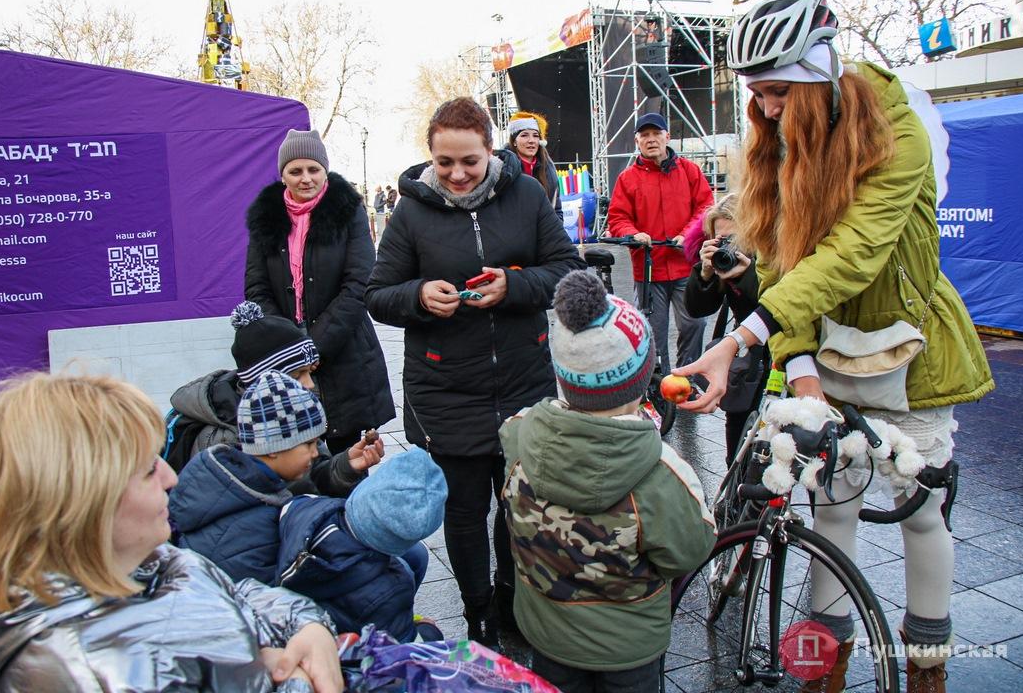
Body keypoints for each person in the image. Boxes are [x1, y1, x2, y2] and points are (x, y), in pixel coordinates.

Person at [677, 0, 994, 693]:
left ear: (820, 68)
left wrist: (742, 341)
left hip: (912, 356)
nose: (766, 109)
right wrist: (802, 368)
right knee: (831, 513)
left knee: (921, 514)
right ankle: (826, 672)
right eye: (757, 94)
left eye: (780, 92)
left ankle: (928, 672)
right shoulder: (778, 143)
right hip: (826, 350)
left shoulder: (898, 127)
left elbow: (854, 253)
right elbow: (790, 269)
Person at [0, 371, 343, 693]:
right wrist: (291, 677)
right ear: (86, 503)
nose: (170, 479)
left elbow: (236, 593)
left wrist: (305, 628)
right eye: (145, 470)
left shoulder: (138, 560)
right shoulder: (89, 671)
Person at [365, 97, 584, 647]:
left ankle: (513, 600)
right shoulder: (411, 211)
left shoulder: (528, 194)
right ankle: (477, 611)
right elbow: (378, 295)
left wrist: (515, 286)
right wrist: (417, 295)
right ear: (430, 158)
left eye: (470, 161)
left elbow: (565, 271)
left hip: (523, 384)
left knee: (518, 506)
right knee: (463, 512)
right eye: (445, 163)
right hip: (446, 389)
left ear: (492, 151)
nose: (458, 174)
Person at [500, 270, 715, 692]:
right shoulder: (662, 475)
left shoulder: (518, 434)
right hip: (627, 650)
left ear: (562, 373)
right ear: (641, 377)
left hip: (546, 636)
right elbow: (691, 550)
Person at [170, 371, 437, 642]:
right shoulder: (251, 527)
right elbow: (279, 609)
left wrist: (343, 466)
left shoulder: (242, 476)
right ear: (273, 447)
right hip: (263, 637)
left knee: (407, 558)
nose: (314, 453)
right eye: (308, 444)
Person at [245, 129, 395, 455]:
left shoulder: (348, 210)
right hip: (288, 362)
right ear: (282, 174)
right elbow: (257, 288)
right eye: (295, 171)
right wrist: (289, 346)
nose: (305, 179)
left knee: (350, 466)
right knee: (298, 464)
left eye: (313, 169)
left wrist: (314, 345)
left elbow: (359, 284)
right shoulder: (266, 217)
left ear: (325, 170)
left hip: (346, 354)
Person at [165, 301, 382, 496]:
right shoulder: (223, 440)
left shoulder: (289, 409)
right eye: (298, 375)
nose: (309, 384)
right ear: (265, 380)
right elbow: (262, 498)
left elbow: (310, 472)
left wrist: (344, 466)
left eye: (310, 372)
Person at [275, 447, 447, 642]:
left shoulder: (308, 509)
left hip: (293, 623)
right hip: (347, 653)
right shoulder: (392, 590)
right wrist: (428, 630)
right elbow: (407, 651)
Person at [606, 111, 713, 372]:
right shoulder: (627, 178)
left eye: (656, 134)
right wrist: (633, 233)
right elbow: (617, 218)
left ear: (668, 136)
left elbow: (706, 208)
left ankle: (687, 376)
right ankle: (658, 384)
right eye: (645, 135)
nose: (651, 139)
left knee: (695, 324)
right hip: (648, 270)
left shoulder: (690, 171)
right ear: (637, 141)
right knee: (652, 332)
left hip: (685, 265)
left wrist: (687, 235)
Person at [683, 193, 769, 466]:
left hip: (779, 354)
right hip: (744, 361)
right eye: (721, 240)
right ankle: (735, 491)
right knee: (737, 431)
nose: (728, 248)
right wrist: (705, 273)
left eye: (734, 240)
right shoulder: (722, 262)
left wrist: (747, 275)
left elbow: (777, 304)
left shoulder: (771, 256)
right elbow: (697, 309)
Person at [501, 111, 562, 212]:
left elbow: (557, 209)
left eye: (535, 135)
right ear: (514, 141)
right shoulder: (502, 168)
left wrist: (556, 227)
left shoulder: (549, 170)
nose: (531, 140)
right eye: (524, 135)